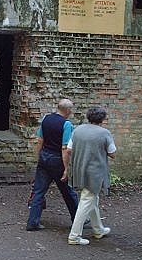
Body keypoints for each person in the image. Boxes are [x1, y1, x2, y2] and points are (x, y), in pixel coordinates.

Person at [26, 98, 79, 231]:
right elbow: (64, 148)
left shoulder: (46, 119)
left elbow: (40, 140)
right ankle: (78, 221)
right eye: (71, 109)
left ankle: (33, 222)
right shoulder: (67, 124)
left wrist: (39, 157)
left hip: (44, 157)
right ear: (67, 110)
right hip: (57, 160)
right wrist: (66, 168)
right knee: (68, 192)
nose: (71, 112)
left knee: (38, 191)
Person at [67, 107, 117, 245]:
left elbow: (69, 149)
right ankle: (74, 236)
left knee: (92, 198)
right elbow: (112, 153)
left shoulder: (78, 130)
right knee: (86, 200)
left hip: (79, 169)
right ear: (102, 119)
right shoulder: (104, 133)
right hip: (95, 172)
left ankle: (98, 229)